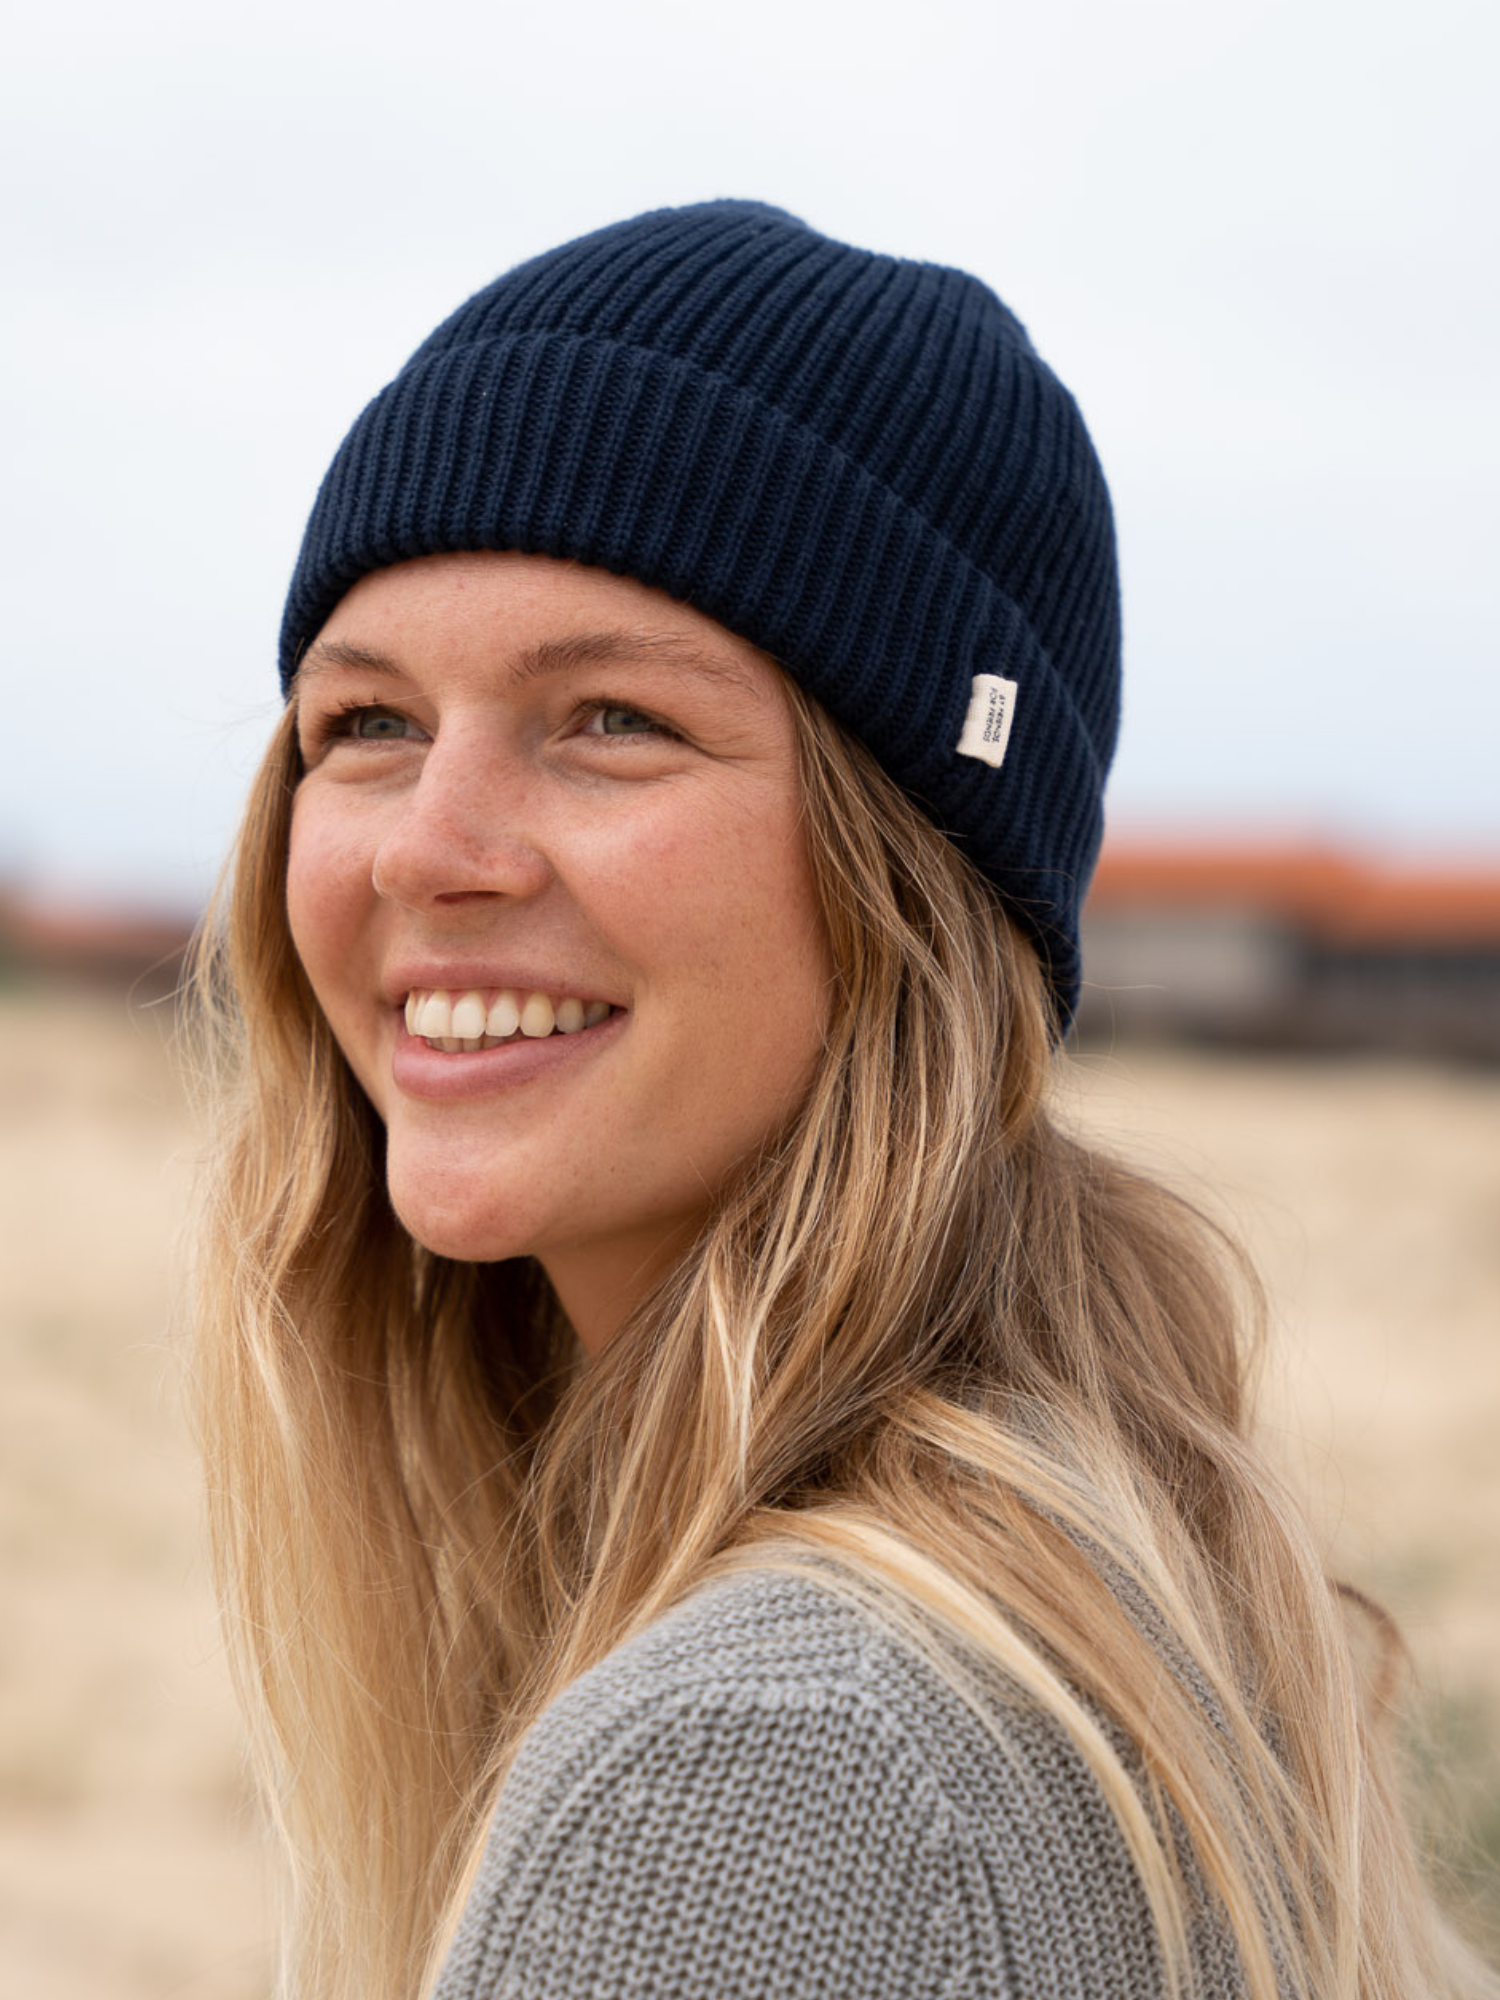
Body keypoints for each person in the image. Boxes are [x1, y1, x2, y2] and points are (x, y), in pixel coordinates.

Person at [187, 200, 1494, 2000]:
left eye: (611, 720)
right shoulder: (1096, 1585)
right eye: (366, 724)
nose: (428, 845)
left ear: (911, 880)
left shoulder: (769, 1774)